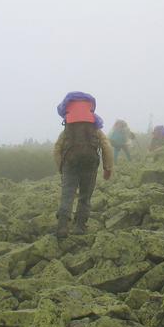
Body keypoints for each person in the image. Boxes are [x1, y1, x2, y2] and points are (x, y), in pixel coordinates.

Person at [54, 92, 114, 238]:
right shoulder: (95, 129)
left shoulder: (68, 130)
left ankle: (62, 226)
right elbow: (106, 146)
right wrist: (107, 167)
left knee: (67, 194)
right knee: (85, 196)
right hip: (90, 164)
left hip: (70, 164)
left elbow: (56, 149)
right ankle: (80, 226)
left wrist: (61, 168)